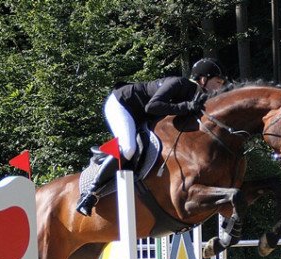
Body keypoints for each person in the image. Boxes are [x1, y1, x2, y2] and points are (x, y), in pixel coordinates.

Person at [76, 57, 227, 216]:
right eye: (218, 82)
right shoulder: (180, 83)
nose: (220, 87)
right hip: (122, 104)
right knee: (128, 148)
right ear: (203, 79)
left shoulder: (198, 96)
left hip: (141, 116)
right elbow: (153, 106)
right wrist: (187, 106)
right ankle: (89, 194)